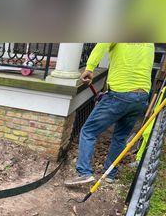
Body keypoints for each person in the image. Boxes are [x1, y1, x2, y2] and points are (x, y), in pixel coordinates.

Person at [65, 43, 154, 187]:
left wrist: (89, 69)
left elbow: (101, 45)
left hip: (120, 94)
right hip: (142, 96)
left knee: (89, 131)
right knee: (120, 137)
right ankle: (110, 175)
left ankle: (84, 173)